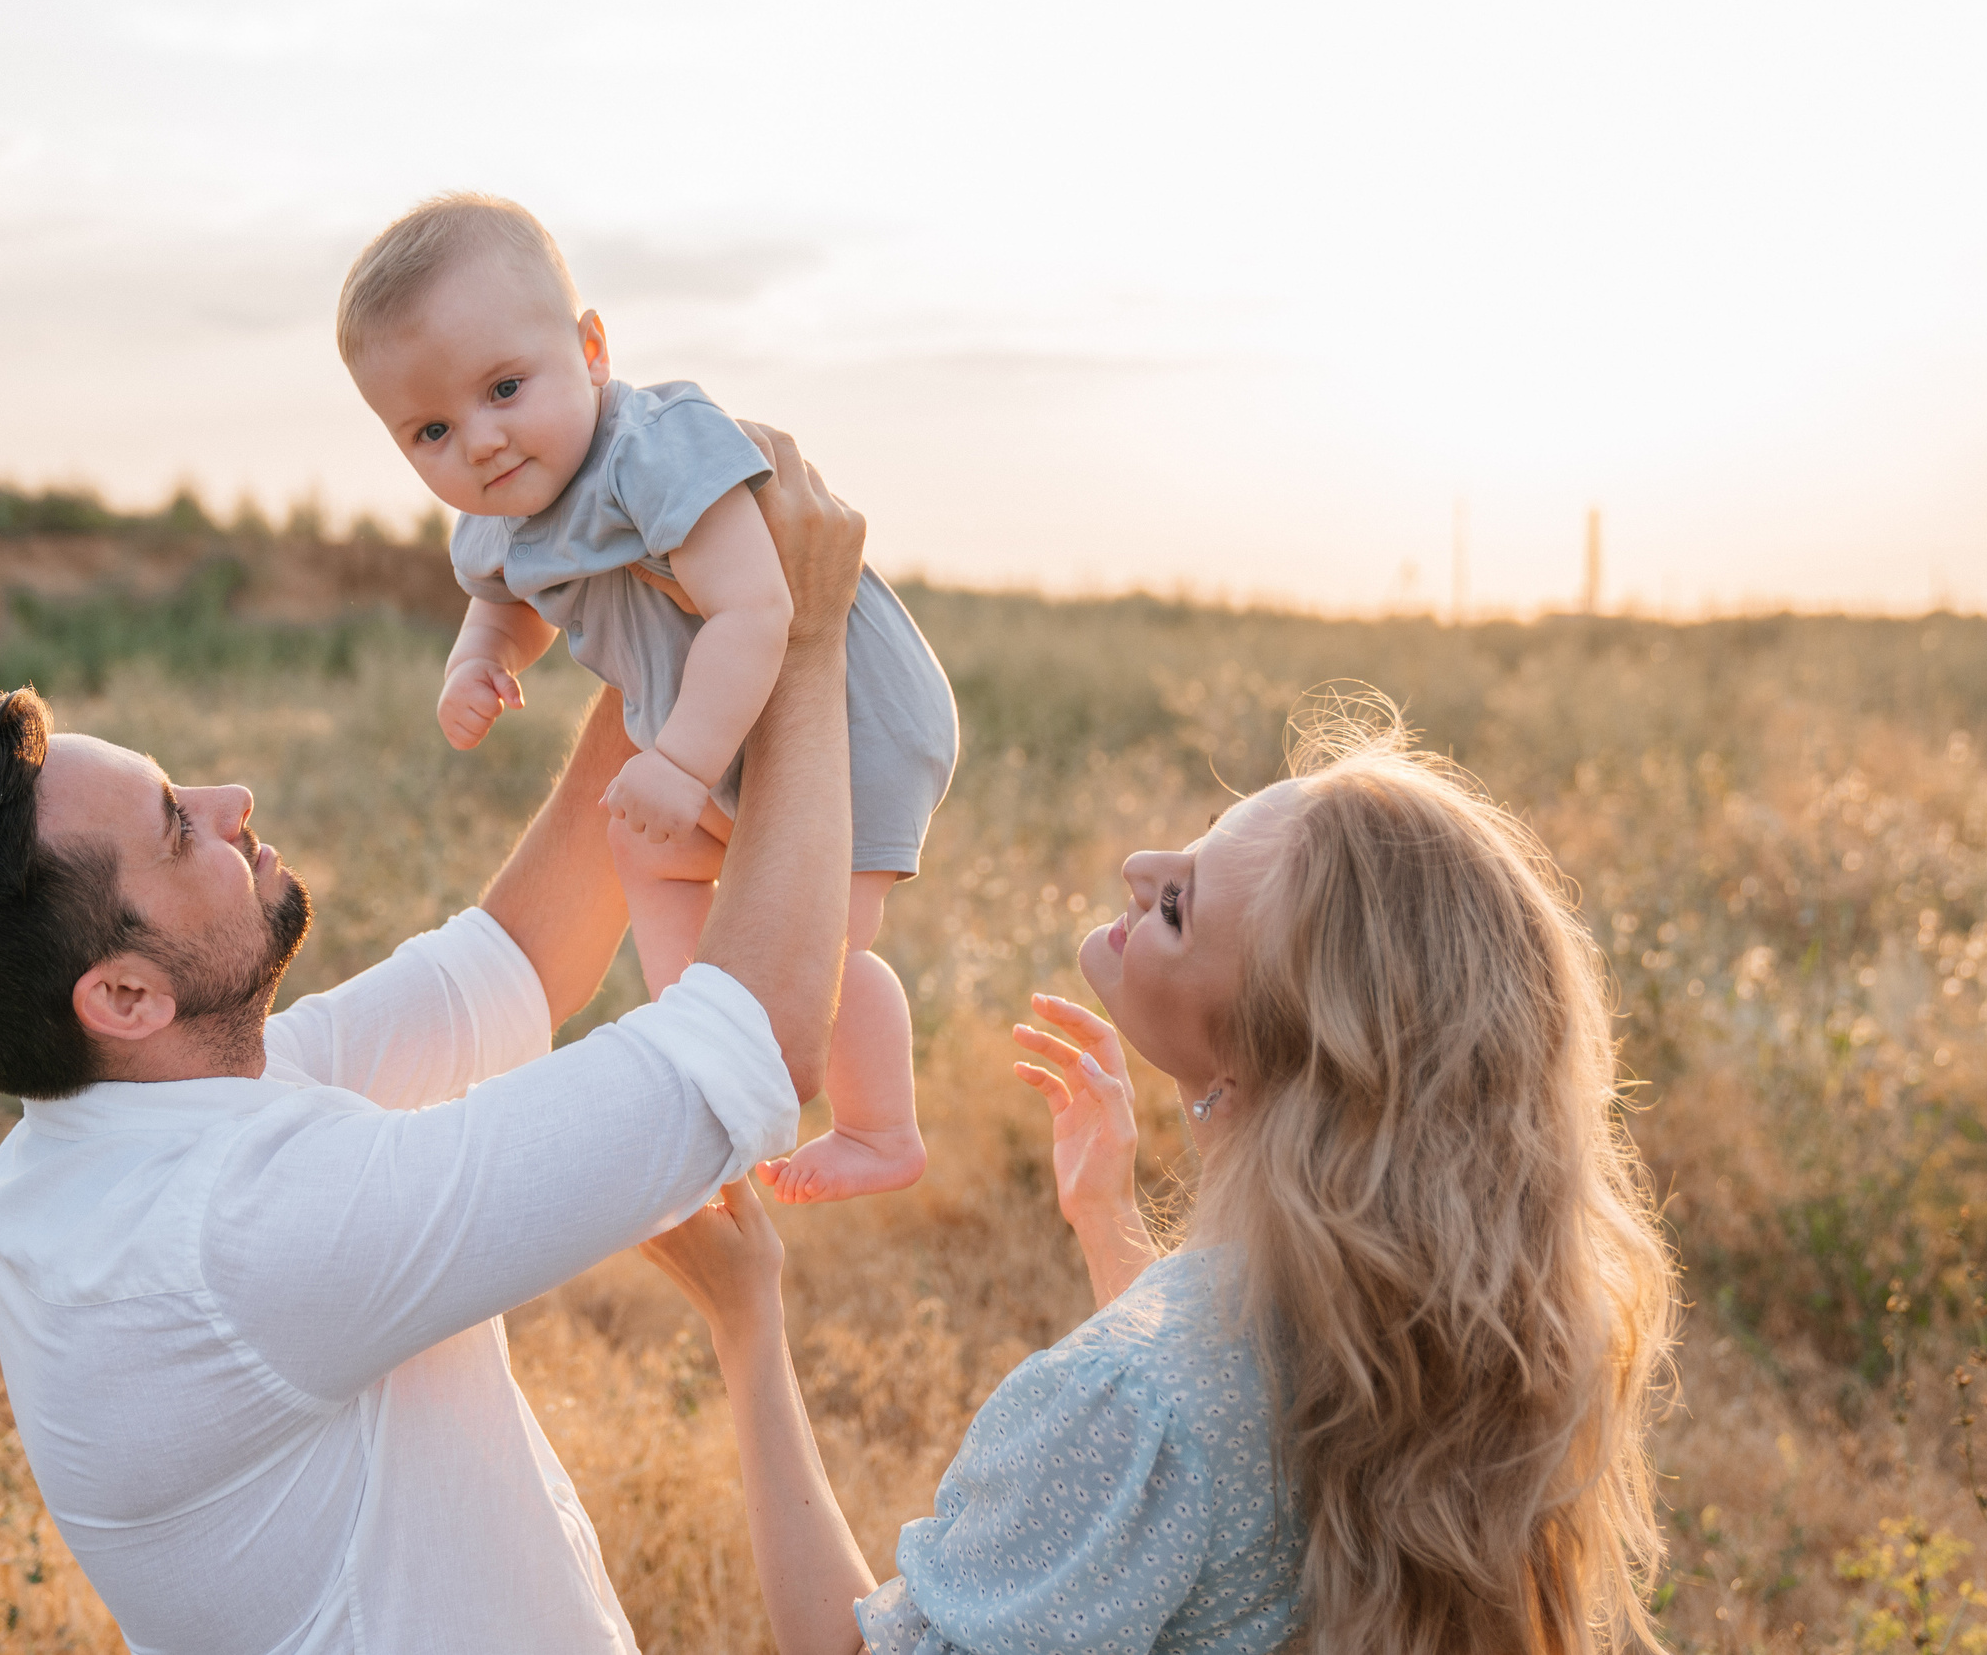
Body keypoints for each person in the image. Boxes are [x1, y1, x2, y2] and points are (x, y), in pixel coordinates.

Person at [0, 430, 866, 1655]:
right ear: (124, 996)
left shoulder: (134, 1116)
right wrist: (799, 639)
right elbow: (755, 1046)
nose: (229, 801)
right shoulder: (234, 1238)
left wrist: (661, 593)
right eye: (175, 828)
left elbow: (522, 957)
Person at [645, 705, 1679, 1655]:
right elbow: (1219, 1484)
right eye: (1195, 837)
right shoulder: (1421, 1320)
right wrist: (1109, 1225)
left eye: (1178, 905)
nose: (1138, 864)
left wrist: (747, 1320)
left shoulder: (1125, 1397)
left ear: (1265, 1056)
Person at [337, 192, 959, 1205]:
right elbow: (511, 603)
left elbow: (760, 610)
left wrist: (676, 762)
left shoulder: (654, 450)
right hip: (723, 728)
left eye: (504, 387)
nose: (481, 443)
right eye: (432, 430)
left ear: (589, 349)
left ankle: (879, 1125)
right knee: (641, 843)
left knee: (823, 935)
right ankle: (696, 1023)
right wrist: (477, 662)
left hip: (850, 713)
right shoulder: (500, 518)